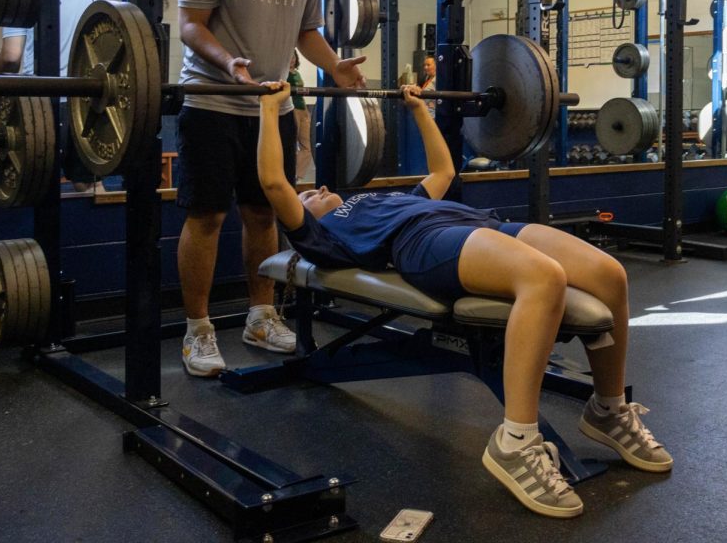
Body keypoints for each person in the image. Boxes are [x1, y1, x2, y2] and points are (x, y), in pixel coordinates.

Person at [256, 81, 672, 519]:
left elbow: (443, 173)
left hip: (480, 224)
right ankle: (516, 442)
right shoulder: (323, 235)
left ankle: (608, 409)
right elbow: (272, 181)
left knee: (610, 275)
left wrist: (418, 109)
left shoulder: (382, 199)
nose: (317, 188)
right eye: (307, 195)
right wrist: (270, 107)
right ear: (299, 224)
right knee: (543, 278)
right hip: (424, 244)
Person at [176, 0, 367, 376]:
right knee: (208, 216)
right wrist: (228, 61)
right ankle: (197, 330)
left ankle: (261, 316)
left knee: (264, 213)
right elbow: (191, 23)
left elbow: (307, 32)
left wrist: (336, 68)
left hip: (272, 108)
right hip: (213, 102)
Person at [0, 0, 105, 193]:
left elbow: (12, 58)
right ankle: (107, 231)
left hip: (38, 105)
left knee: (31, 182)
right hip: (84, 104)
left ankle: (35, 232)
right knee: (89, 183)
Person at [287, 51, 313, 181]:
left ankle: (297, 176)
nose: (292, 59)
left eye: (294, 57)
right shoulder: (283, 74)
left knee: (307, 147)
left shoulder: (297, 74)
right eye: (290, 57)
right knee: (291, 144)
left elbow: (301, 94)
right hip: (291, 110)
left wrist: (306, 112)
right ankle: (288, 175)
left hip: (302, 110)